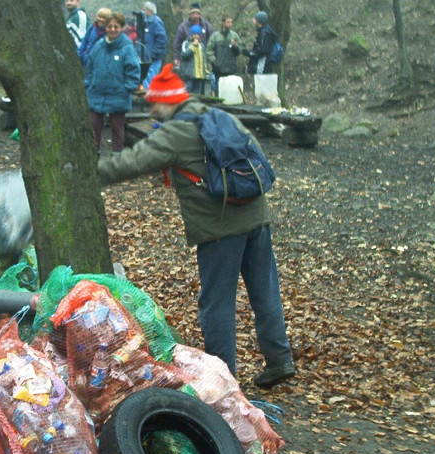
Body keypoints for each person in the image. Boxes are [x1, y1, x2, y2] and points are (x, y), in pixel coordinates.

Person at [97, 63, 295, 388]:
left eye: (156, 103)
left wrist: (88, 172)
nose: (152, 109)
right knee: (265, 293)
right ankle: (280, 359)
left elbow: (131, 163)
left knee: (217, 304)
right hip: (257, 216)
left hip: (219, 229)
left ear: (170, 100)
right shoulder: (221, 117)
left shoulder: (176, 133)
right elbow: (256, 154)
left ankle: (222, 378)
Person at [84, 11, 140, 154]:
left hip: (118, 95)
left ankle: (117, 159)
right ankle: (93, 157)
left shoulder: (127, 48)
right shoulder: (98, 46)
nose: (113, 30)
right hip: (97, 93)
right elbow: (90, 67)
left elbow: (133, 70)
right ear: (106, 28)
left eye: (116, 26)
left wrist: (127, 87)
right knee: (94, 126)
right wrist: (89, 83)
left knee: (117, 128)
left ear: (121, 28)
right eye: (110, 26)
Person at [173, 3, 214, 70]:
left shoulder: (207, 26)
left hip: (203, 60)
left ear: (200, 15)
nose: (195, 16)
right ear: (190, 14)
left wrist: (210, 60)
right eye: (193, 14)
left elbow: (211, 44)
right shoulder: (183, 27)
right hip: (188, 61)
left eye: (197, 14)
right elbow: (177, 44)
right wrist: (176, 58)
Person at [207, 15, 242, 95]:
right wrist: (214, 61)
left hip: (231, 67)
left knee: (230, 89)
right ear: (223, 23)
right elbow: (209, 50)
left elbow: (240, 50)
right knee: (219, 90)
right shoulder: (215, 36)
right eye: (228, 22)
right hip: (219, 69)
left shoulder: (234, 35)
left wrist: (235, 46)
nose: (230, 24)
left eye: (231, 22)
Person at [140, 1, 167, 88]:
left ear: (150, 11)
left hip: (153, 59)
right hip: (145, 59)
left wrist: (153, 55)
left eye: (144, 10)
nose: (142, 12)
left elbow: (162, 41)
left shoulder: (156, 23)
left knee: (149, 80)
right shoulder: (145, 23)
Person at [178, 24, 211, 95]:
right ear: (192, 34)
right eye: (195, 34)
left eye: (198, 34)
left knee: (197, 94)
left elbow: (204, 58)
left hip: (200, 75)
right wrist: (193, 47)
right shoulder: (186, 43)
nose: (197, 36)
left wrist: (206, 70)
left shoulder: (201, 45)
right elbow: (184, 55)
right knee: (187, 92)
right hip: (189, 74)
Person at [246, 11, 277, 75]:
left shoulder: (265, 33)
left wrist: (250, 53)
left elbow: (263, 50)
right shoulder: (264, 31)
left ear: (259, 21)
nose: (253, 21)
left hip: (263, 62)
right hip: (265, 61)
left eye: (255, 19)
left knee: (261, 80)